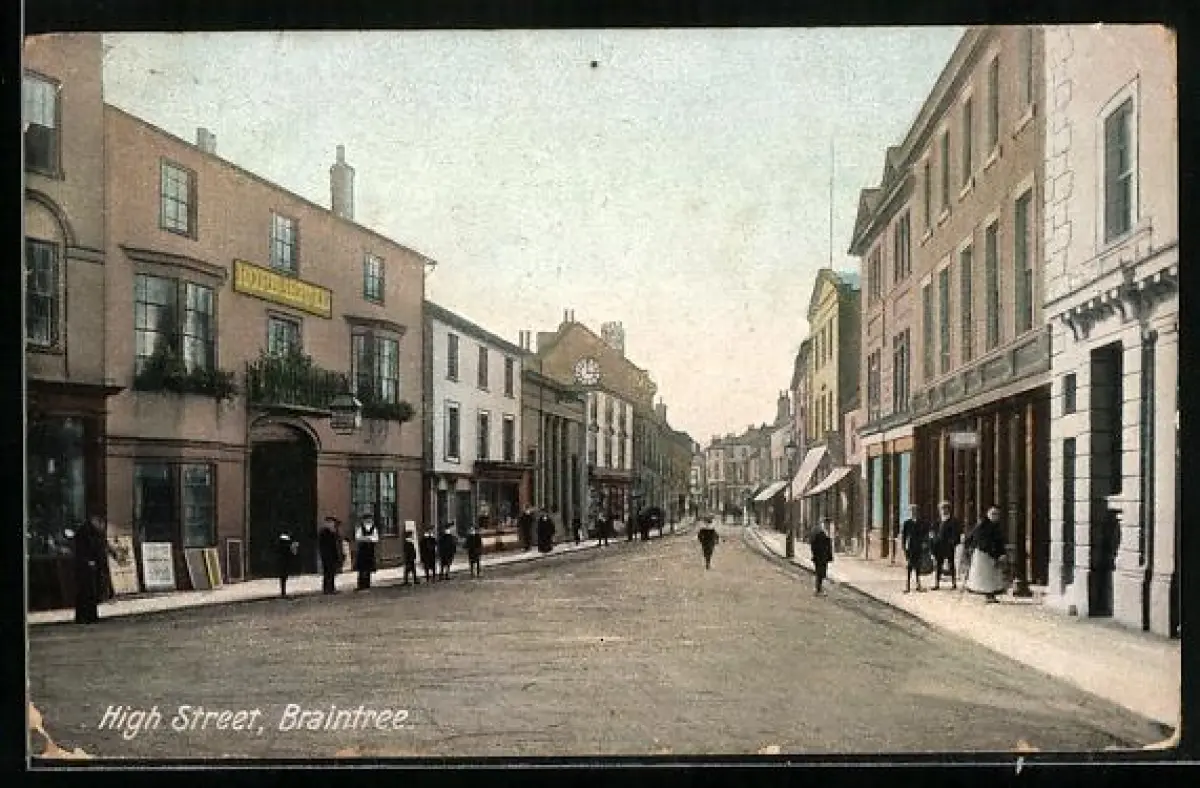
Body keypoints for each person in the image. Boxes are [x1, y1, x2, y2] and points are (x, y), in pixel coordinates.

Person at [70, 516, 110, 624]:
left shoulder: (93, 533)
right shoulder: (85, 533)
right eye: (101, 524)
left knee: (90, 593)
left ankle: (89, 616)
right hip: (85, 567)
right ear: (95, 522)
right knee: (87, 592)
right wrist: (89, 561)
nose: (103, 527)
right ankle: (86, 616)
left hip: (90, 566)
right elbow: (82, 550)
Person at [964, 506, 1008, 602]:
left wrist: (1001, 553)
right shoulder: (982, 526)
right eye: (993, 514)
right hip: (983, 555)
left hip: (991, 554)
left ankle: (991, 595)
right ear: (988, 514)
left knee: (992, 576)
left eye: (997, 514)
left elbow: (999, 541)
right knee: (985, 576)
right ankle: (988, 595)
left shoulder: (996, 526)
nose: (995, 516)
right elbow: (979, 540)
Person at [932, 501, 963, 591]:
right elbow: (933, 531)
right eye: (942, 509)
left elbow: (958, 532)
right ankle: (937, 583)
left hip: (949, 546)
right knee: (939, 565)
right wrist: (934, 539)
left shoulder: (954, 521)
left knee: (951, 564)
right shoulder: (938, 521)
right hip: (939, 546)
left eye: (945, 509)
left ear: (949, 510)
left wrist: (953, 542)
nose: (943, 511)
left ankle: (954, 583)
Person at [900, 505, 929, 593]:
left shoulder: (921, 522)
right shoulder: (907, 523)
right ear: (910, 512)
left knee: (918, 566)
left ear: (917, 512)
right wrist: (903, 547)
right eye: (912, 511)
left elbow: (925, 534)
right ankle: (907, 586)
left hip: (918, 547)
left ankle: (918, 585)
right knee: (909, 566)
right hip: (910, 547)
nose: (913, 513)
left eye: (915, 511)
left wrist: (925, 542)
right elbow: (904, 536)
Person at [317, 517, 343, 594]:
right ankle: (327, 588)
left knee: (332, 572)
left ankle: (331, 587)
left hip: (333, 554)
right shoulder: (324, 532)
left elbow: (337, 543)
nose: (333, 525)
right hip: (327, 555)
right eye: (332, 523)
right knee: (328, 572)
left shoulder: (334, 532)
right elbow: (325, 544)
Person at [809, 520, 834, 596]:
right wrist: (817, 554)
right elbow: (816, 545)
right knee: (820, 573)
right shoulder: (821, 534)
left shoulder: (822, 533)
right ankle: (818, 589)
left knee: (820, 573)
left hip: (822, 557)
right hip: (821, 557)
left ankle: (818, 589)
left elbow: (828, 546)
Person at [354, 515, 379, 590]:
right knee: (361, 569)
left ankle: (367, 584)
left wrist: (367, 538)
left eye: (370, 519)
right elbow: (358, 537)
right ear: (364, 520)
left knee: (368, 568)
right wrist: (367, 538)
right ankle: (361, 585)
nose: (369, 521)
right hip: (362, 551)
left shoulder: (374, 528)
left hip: (370, 551)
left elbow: (376, 538)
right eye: (367, 519)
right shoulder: (360, 528)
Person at [276, 530, 299, 598]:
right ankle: (283, 592)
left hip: (283, 561)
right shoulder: (286, 543)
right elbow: (292, 552)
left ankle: (283, 592)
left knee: (283, 577)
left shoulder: (282, 542)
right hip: (284, 561)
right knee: (284, 576)